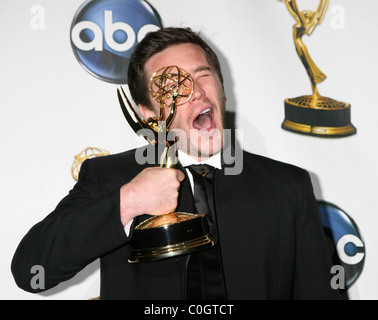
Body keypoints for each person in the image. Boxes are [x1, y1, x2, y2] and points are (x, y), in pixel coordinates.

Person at [11, 27, 339, 300]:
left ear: (222, 88)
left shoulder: (287, 187)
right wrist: (129, 202)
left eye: (203, 75)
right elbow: (31, 270)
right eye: (173, 86)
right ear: (148, 113)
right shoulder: (110, 178)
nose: (195, 92)